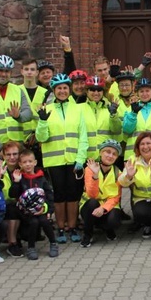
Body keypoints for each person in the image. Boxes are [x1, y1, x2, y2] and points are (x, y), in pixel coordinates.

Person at [35, 73, 89, 243]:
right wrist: (42, 122)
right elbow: (41, 138)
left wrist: (80, 160)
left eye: (65, 88)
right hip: (55, 160)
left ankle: (72, 227)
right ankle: (60, 228)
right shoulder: (47, 110)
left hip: (74, 160)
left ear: (69, 89)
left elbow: (83, 137)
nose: (63, 91)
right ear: (54, 90)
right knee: (59, 195)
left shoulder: (77, 109)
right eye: (59, 88)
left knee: (73, 195)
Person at [8, 149, 58, 259]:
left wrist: (48, 210)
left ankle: (53, 243)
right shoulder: (19, 178)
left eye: (30, 161)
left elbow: (49, 195)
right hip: (25, 212)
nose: (28, 164)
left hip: (40, 210)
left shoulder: (41, 178)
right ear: (20, 164)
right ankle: (31, 247)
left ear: (35, 162)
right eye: (24, 162)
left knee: (44, 221)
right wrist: (16, 182)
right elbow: (12, 194)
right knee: (34, 222)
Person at [80, 140, 123, 248]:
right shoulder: (90, 169)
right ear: (100, 153)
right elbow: (92, 195)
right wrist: (95, 176)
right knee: (93, 203)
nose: (110, 155)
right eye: (107, 152)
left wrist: (103, 208)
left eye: (114, 154)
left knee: (114, 220)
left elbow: (116, 197)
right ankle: (88, 234)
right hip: (90, 206)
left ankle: (107, 229)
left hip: (107, 206)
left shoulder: (118, 172)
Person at [122, 78, 151, 160]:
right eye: (141, 91)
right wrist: (133, 113)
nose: (144, 94)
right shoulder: (129, 109)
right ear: (137, 93)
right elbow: (127, 130)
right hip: (133, 156)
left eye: (147, 91)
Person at [81, 76, 121, 160]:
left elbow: (116, 130)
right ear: (87, 91)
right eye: (92, 89)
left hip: (105, 158)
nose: (96, 92)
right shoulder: (78, 109)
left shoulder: (110, 108)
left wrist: (113, 115)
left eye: (99, 90)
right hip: (85, 158)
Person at [0, 141, 25, 257]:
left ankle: (19, 236)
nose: (12, 157)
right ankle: (12, 243)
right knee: (12, 207)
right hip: (2, 206)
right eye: (8, 155)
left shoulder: (26, 167)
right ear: (3, 156)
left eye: (15, 154)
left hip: (23, 206)